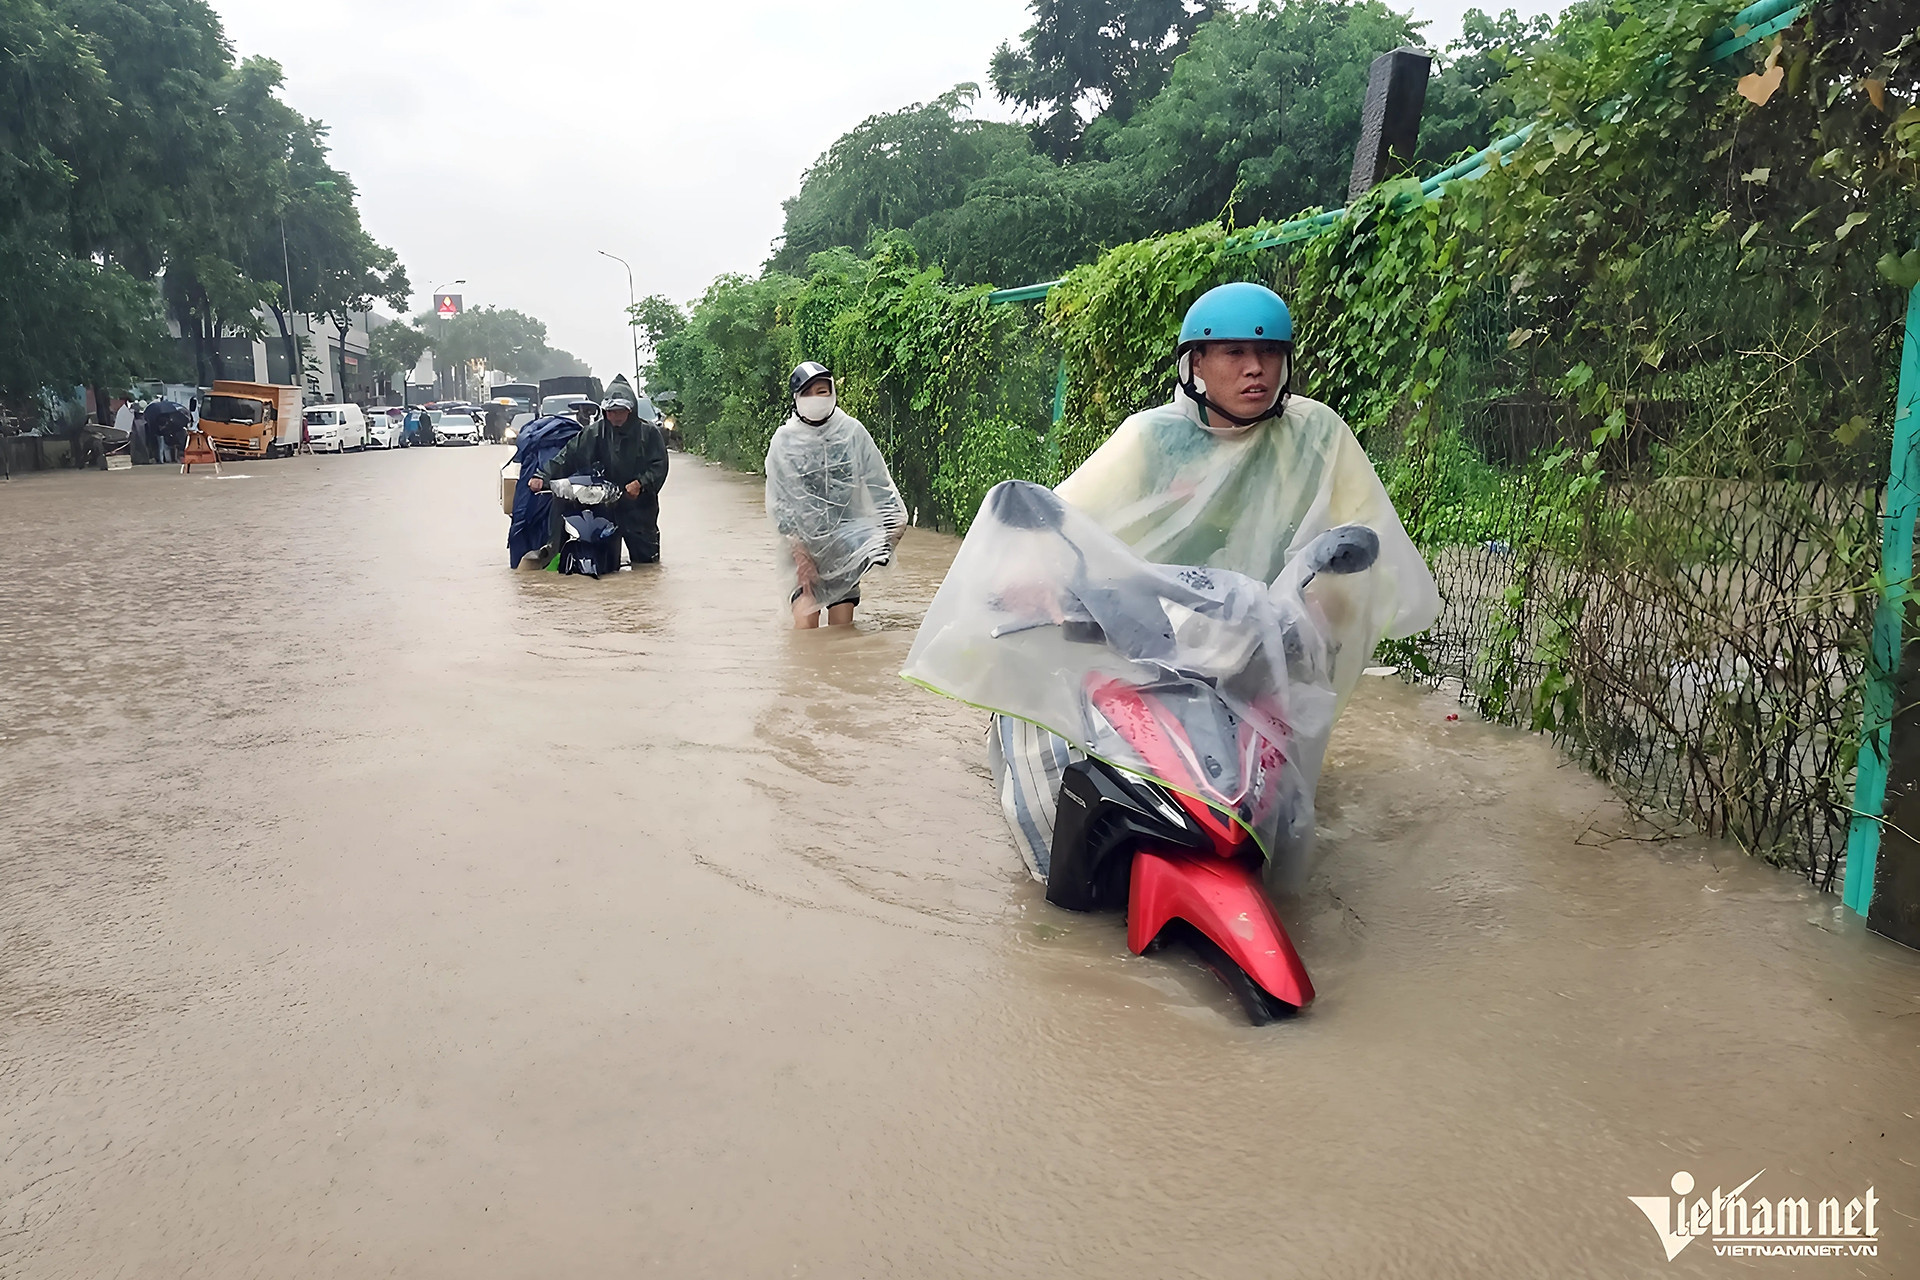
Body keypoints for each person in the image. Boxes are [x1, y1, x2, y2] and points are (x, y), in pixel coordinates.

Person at [977, 282, 1440, 881]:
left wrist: (1325, 604)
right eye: (1233, 354)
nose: (1256, 369)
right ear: (1195, 363)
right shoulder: (1153, 438)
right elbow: (1074, 513)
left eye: (1270, 354)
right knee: (1049, 747)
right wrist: (1031, 579)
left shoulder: (1318, 434)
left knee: (1294, 794)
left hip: (1259, 638)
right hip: (1151, 637)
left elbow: (1360, 528)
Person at [765, 362, 907, 628]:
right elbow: (781, 503)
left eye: (823, 391)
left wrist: (890, 530)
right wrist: (801, 555)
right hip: (801, 548)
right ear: (796, 399)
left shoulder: (852, 432)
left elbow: (879, 483)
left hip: (843, 547)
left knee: (841, 634)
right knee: (806, 629)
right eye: (808, 393)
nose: (817, 399)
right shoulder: (784, 441)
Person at [520, 375, 669, 569]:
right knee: (606, 563)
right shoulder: (595, 433)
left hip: (639, 508)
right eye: (610, 411)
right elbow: (568, 456)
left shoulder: (649, 433)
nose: (615, 416)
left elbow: (659, 466)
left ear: (630, 411)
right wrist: (543, 476)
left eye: (620, 411)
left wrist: (641, 483)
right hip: (606, 506)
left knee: (646, 567)